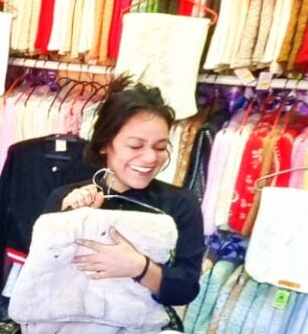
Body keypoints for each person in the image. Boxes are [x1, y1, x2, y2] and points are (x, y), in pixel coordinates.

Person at [43, 77, 205, 307]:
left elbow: (186, 290)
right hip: (66, 329)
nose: (151, 158)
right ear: (104, 144)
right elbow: (44, 275)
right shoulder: (66, 197)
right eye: (135, 146)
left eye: (160, 147)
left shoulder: (181, 204)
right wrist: (65, 220)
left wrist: (139, 267)